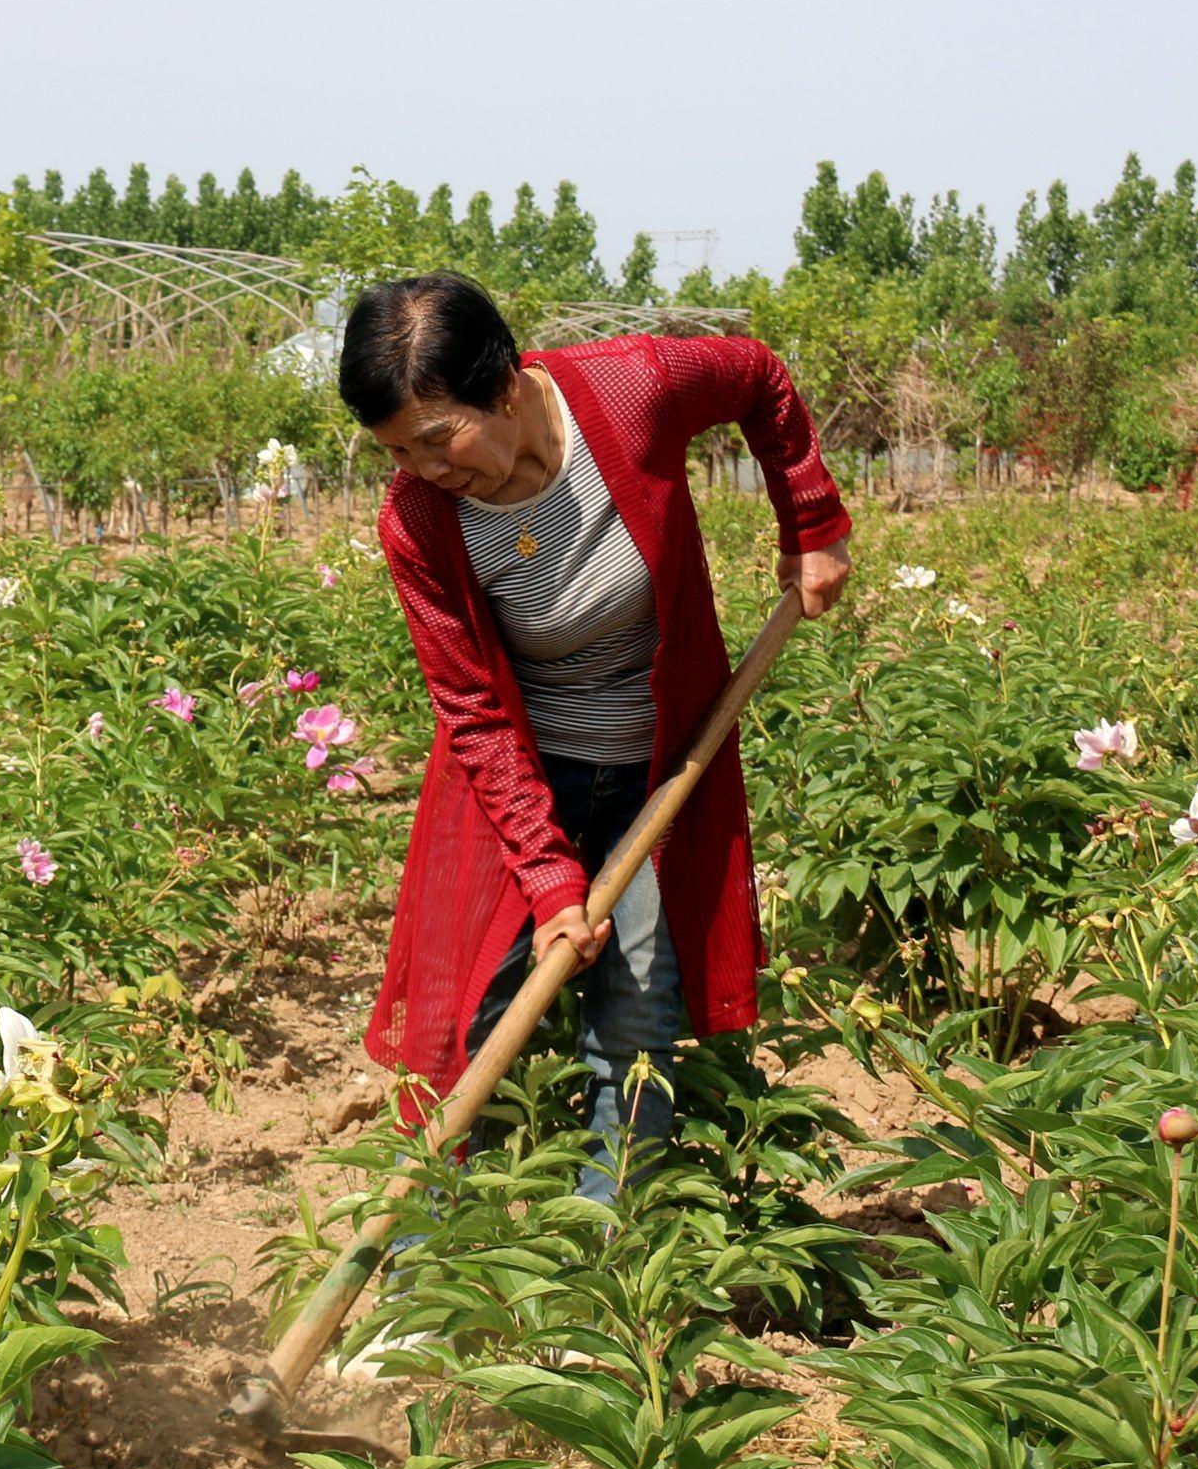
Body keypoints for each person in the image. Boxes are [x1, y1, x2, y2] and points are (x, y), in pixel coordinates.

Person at [337, 272, 851, 1214]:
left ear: (502, 386)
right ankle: (423, 1271)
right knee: (466, 1018)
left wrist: (810, 524)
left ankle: (607, 1264)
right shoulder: (417, 521)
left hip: (661, 765)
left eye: (437, 438)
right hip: (516, 775)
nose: (424, 469)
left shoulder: (630, 390)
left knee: (637, 1021)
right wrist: (549, 878)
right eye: (396, 452)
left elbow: (757, 376)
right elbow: (474, 712)